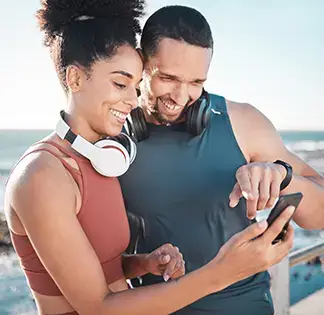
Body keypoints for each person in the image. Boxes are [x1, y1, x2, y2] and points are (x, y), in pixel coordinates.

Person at [3, 1, 296, 315]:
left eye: (135, 84)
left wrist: (143, 264)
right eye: (120, 83)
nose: (132, 100)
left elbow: (101, 268)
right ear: (74, 79)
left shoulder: (102, 161)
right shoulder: (41, 175)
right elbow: (98, 307)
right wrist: (224, 272)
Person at [119, 5, 324, 315]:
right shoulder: (111, 138)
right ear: (140, 62)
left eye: (196, 83)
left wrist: (282, 177)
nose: (181, 95)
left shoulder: (243, 122)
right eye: (169, 78)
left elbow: (320, 216)